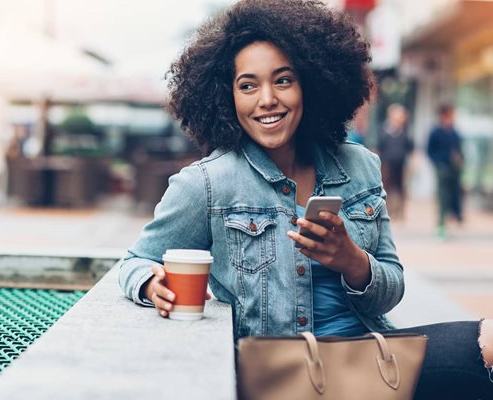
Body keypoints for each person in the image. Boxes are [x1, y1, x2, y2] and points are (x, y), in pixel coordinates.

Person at [119, 1, 493, 398]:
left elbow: (393, 287)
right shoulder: (208, 184)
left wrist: (352, 260)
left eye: (283, 80)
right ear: (226, 96)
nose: (266, 99)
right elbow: (136, 260)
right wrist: (149, 283)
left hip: (372, 357)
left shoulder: (360, 166)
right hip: (281, 373)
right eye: (247, 85)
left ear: (310, 84)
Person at [427, 104, 464, 239]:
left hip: (454, 169)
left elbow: (459, 149)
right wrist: (438, 163)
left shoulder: (454, 131)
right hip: (442, 168)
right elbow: (430, 151)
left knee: (452, 197)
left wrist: (460, 160)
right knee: (442, 197)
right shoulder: (436, 131)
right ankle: (441, 225)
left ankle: (448, 223)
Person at [378, 103, 413, 220]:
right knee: (387, 188)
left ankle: (400, 213)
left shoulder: (404, 132)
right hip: (387, 164)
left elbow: (410, 148)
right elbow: (379, 147)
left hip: (401, 164)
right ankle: (388, 212)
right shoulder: (384, 131)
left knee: (400, 189)